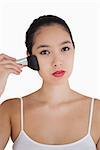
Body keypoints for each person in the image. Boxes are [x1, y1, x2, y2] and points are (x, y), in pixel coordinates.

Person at [0, 15, 100, 150]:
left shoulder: (97, 111)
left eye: (65, 49)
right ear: (30, 58)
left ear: (74, 50)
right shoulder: (11, 110)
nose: (57, 62)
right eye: (45, 52)